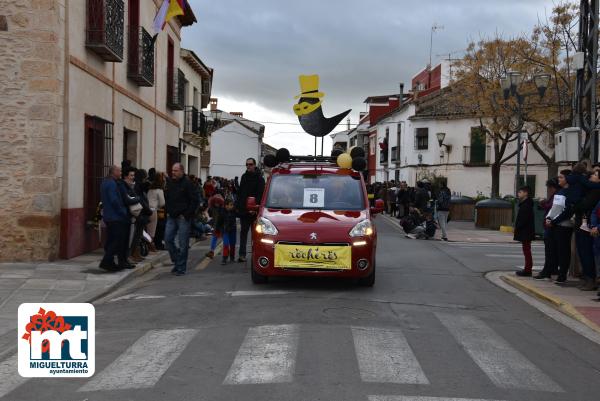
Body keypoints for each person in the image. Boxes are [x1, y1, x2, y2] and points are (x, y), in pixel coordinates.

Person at [164, 163, 200, 276]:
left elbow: (195, 200)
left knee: (183, 243)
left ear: (182, 171)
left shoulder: (188, 183)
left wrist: (186, 214)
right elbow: (167, 198)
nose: (173, 173)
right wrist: (168, 210)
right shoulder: (170, 183)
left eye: (175, 171)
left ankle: (181, 268)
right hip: (172, 216)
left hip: (183, 217)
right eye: (172, 170)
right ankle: (177, 261)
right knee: (168, 240)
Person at [99, 165, 132, 271]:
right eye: (119, 171)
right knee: (116, 241)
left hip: (108, 216)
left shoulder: (105, 182)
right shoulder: (112, 184)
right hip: (115, 217)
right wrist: (122, 212)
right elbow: (114, 200)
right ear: (114, 172)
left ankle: (110, 262)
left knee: (112, 240)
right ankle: (106, 261)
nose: (121, 173)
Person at [546, 170, 575, 283]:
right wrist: (549, 218)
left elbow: (566, 211)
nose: (559, 179)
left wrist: (554, 221)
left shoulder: (570, 192)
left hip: (564, 225)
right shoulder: (560, 191)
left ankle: (562, 274)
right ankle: (556, 271)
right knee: (556, 250)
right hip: (555, 224)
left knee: (563, 251)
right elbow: (554, 208)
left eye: (561, 177)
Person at [235, 158, 265, 263]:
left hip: (255, 211)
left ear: (254, 165)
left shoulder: (260, 178)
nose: (248, 166)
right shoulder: (244, 177)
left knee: (255, 235)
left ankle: (255, 255)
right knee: (243, 233)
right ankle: (242, 255)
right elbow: (241, 194)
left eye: (250, 164)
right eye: (247, 164)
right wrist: (240, 208)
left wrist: (254, 208)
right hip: (244, 211)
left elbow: (261, 195)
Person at [534, 178, 560, 279]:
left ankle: (547, 270)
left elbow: (550, 207)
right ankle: (552, 268)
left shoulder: (556, 196)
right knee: (551, 250)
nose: (548, 190)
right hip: (550, 225)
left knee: (549, 250)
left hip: (550, 226)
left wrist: (543, 203)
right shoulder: (555, 195)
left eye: (549, 188)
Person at [514, 186, 535, 277]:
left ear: (526, 193)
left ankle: (527, 270)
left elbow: (523, 220)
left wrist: (518, 227)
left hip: (526, 231)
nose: (518, 194)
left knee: (527, 250)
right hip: (526, 231)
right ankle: (527, 269)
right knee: (526, 250)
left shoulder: (526, 205)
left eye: (520, 192)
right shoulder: (525, 204)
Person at [147, 172, 166, 253]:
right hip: (154, 210)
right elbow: (162, 203)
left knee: (147, 229)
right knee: (152, 230)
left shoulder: (150, 189)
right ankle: (151, 246)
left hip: (147, 209)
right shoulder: (159, 190)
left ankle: (147, 245)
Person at [221, 198, 238, 264]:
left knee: (233, 243)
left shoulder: (234, 211)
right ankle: (224, 258)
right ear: (225, 205)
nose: (231, 206)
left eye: (232, 205)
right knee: (226, 244)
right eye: (229, 205)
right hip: (225, 230)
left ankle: (232, 257)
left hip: (233, 229)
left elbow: (239, 213)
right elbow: (219, 221)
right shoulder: (222, 212)